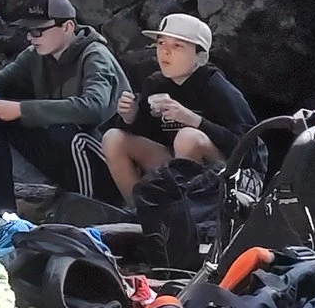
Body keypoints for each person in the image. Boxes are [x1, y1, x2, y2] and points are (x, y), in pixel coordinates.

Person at [0, 0, 124, 212]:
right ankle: (2, 210)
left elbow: (94, 108)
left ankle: (89, 209)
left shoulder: (95, 56)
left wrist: (22, 109)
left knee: (64, 132)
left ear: (67, 27)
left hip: (108, 163)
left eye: (38, 31)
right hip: (66, 157)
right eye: (28, 31)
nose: (31, 37)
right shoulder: (34, 55)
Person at [100, 13, 254, 202]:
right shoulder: (156, 83)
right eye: (161, 43)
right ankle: (141, 213)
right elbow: (150, 134)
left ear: (202, 57)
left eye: (178, 46)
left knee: (187, 138)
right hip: (175, 167)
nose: (165, 52)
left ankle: (191, 216)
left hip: (227, 177)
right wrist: (131, 116)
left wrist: (195, 121)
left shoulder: (217, 88)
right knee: (113, 138)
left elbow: (249, 149)